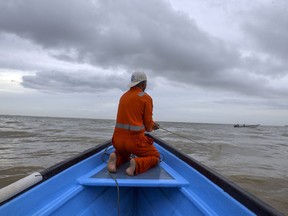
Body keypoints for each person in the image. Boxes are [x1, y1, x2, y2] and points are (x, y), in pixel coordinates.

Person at [108, 71, 160, 176]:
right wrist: (153, 126)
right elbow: (148, 127)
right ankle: (136, 164)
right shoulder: (145, 97)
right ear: (143, 84)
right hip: (135, 142)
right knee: (155, 157)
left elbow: (132, 118)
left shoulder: (124, 96)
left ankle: (116, 158)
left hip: (118, 141)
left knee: (125, 154)